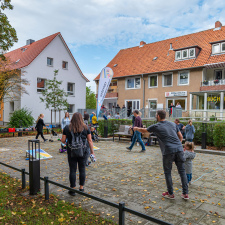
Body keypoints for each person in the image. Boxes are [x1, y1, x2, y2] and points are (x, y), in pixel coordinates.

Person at [133, 110, 189, 200]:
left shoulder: (156, 126)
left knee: (168, 172)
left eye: (156, 115)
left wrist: (136, 128)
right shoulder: (173, 124)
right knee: (182, 171)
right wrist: (178, 145)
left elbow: (144, 130)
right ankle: (185, 194)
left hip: (168, 151)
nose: (155, 116)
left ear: (158, 116)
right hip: (179, 149)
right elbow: (181, 137)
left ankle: (171, 194)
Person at [61, 112, 95, 196]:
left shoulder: (67, 127)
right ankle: (81, 188)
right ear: (81, 119)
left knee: (72, 170)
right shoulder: (86, 128)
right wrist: (92, 152)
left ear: (72, 118)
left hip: (71, 151)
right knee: (82, 169)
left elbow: (63, 140)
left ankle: (72, 189)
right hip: (83, 151)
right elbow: (90, 141)